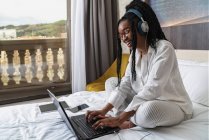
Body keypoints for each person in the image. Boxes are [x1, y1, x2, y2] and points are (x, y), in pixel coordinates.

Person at [86, 0, 193, 129]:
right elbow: (125, 84)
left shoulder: (164, 48)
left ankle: (126, 119)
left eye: (126, 31)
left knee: (148, 111)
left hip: (172, 105)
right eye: (121, 35)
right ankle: (127, 118)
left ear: (143, 27)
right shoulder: (135, 53)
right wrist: (103, 110)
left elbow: (153, 88)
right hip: (145, 99)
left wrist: (120, 118)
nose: (124, 38)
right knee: (112, 82)